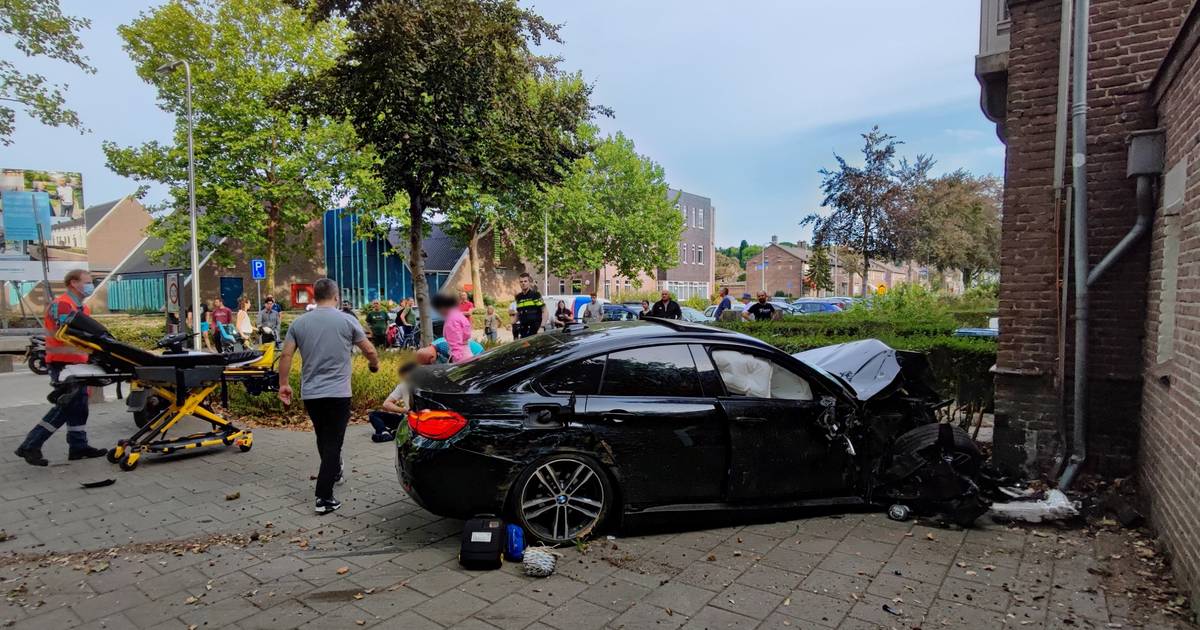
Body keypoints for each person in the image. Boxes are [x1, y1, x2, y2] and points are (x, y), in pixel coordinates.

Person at [278, 278, 380, 514]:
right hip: (338, 393)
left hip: (311, 393)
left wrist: (284, 384)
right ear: (336, 297)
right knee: (334, 442)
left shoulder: (299, 323)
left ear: (314, 297)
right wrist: (374, 365)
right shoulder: (347, 321)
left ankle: (333, 471)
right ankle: (324, 497)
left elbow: (285, 356)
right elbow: (370, 350)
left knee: (323, 436)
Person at [14, 269, 106, 466]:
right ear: (73, 283)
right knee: (66, 405)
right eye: (87, 282)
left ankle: (78, 447)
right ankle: (31, 444)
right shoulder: (62, 304)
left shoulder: (82, 308)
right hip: (62, 362)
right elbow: (70, 333)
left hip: (78, 363)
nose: (91, 285)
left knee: (79, 406)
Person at [367, 360, 417, 442]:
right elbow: (387, 404)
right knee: (373, 415)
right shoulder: (402, 386)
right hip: (405, 418)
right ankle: (385, 433)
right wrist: (405, 410)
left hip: (419, 421)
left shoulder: (425, 385)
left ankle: (391, 433)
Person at [430, 292, 474, 363]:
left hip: (461, 358)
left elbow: (456, 344)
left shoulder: (451, 320)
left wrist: (456, 362)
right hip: (467, 353)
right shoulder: (458, 315)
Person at [513, 272, 545, 339]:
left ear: (529, 282)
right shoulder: (518, 297)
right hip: (523, 330)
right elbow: (518, 313)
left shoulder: (535, 295)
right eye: (521, 282)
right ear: (519, 283)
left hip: (536, 329)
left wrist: (542, 327)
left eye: (525, 281)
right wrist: (512, 323)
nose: (523, 283)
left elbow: (545, 311)